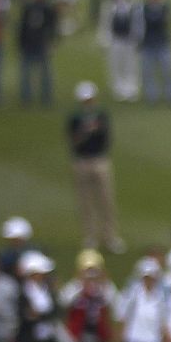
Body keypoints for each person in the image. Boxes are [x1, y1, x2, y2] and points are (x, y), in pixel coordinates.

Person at [68, 82, 122, 253]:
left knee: (106, 201)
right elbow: (73, 142)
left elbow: (106, 139)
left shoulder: (101, 115)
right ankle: (90, 237)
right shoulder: (75, 118)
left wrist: (95, 130)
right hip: (81, 161)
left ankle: (110, 236)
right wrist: (85, 132)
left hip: (100, 160)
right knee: (86, 202)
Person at [17, 0, 58, 107]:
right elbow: (22, 26)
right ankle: (26, 97)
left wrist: (51, 42)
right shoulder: (28, 7)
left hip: (42, 44)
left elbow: (53, 27)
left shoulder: (48, 8)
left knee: (45, 73)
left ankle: (46, 97)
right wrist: (20, 43)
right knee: (25, 73)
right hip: (28, 44)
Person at [139, 0, 171, 105]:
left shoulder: (165, 6)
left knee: (168, 71)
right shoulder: (143, 8)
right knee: (148, 73)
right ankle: (152, 97)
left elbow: (165, 21)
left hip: (162, 43)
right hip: (148, 44)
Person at [104, 0, 143, 102]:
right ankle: (118, 88)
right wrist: (105, 39)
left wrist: (138, 38)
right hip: (116, 39)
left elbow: (138, 22)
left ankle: (131, 88)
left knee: (130, 64)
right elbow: (106, 23)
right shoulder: (110, 5)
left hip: (129, 39)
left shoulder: (135, 5)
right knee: (116, 64)